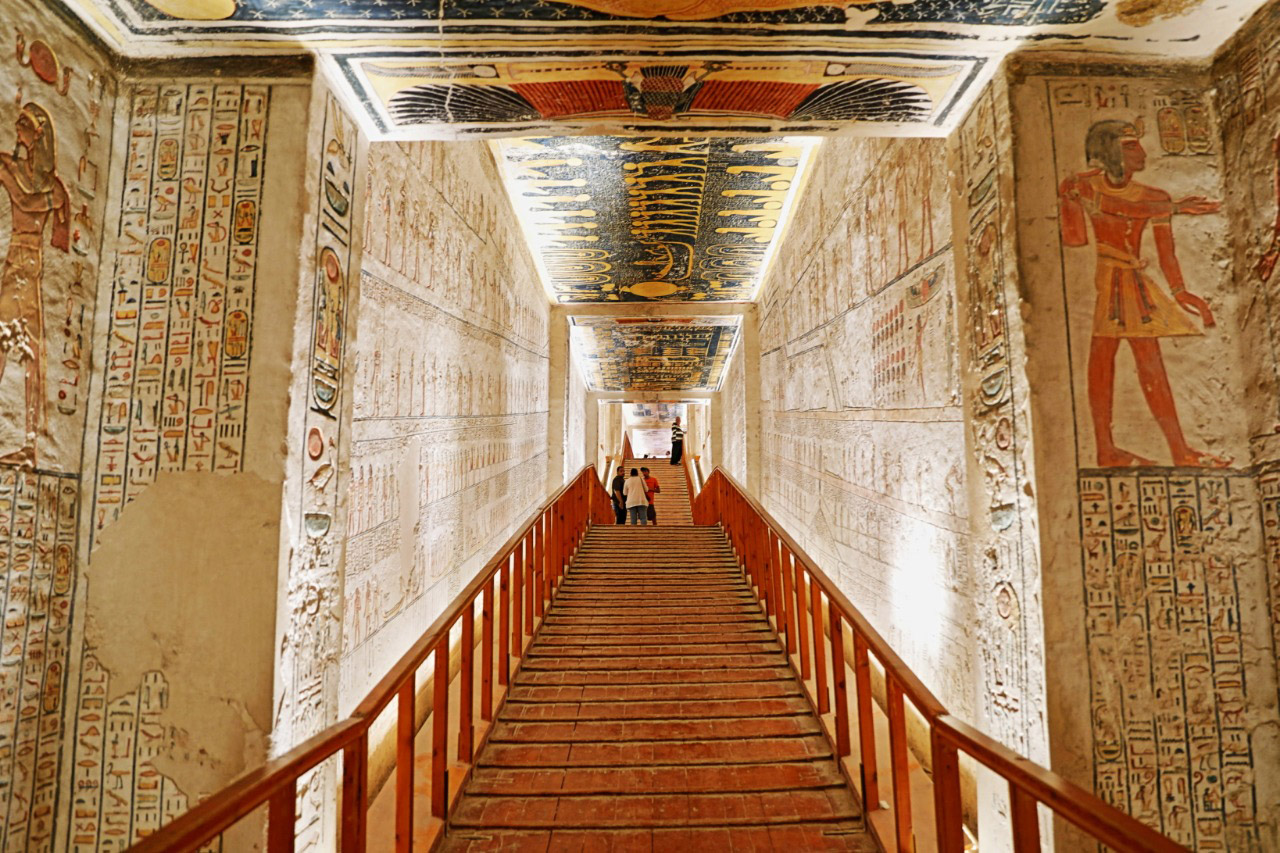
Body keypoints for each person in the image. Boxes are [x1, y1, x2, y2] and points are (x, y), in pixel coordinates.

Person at [1059, 119, 1228, 468]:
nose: (1142, 153)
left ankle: (1167, 450)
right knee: (1109, 359)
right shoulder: (1084, 187)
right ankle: (1118, 449)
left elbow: (1167, 254)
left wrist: (1181, 292)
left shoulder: (1156, 197)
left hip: (1134, 283)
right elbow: (1079, 235)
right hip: (1110, 280)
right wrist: (1068, 201)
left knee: (1142, 361)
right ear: (1110, 151)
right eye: (1131, 145)